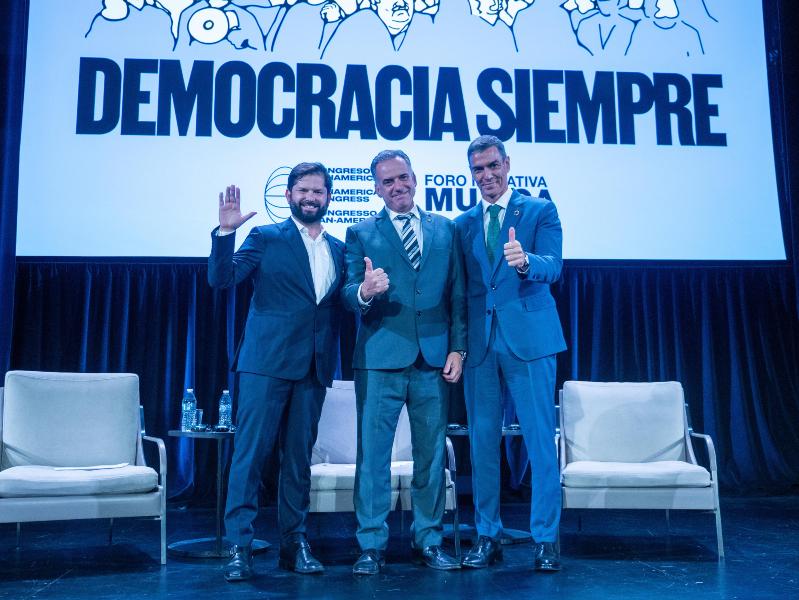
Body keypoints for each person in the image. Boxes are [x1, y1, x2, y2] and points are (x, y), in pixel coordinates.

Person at [208, 162, 346, 582]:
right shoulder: (266, 237)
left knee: (298, 462)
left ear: (327, 196)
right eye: (303, 189)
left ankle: (294, 544)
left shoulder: (340, 249)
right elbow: (222, 277)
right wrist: (225, 234)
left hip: (314, 368)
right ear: (288, 195)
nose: (311, 197)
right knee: (249, 458)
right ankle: (238, 547)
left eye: (319, 191)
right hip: (265, 366)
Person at [342, 150, 466, 574]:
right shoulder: (360, 232)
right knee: (372, 457)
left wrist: (458, 348)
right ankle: (371, 546)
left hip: (433, 358)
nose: (397, 186)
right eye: (387, 182)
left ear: (415, 178)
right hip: (379, 359)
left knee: (430, 456)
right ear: (376, 189)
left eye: (403, 178)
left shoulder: (446, 230)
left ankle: (428, 541)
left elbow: (459, 296)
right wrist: (366, 290)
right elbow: (346, 292)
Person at [455, 135, 566, 572]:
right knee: (482, 444)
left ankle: (545, 539)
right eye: (478, 170)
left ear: (507, 163)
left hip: (530, 340)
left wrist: (525, 263)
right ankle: (487, 535)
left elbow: (554, 266)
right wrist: (458, 346)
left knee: (539, 442)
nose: (487, 176)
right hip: (481, 344)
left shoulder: (540, 210)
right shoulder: (462, 223)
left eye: (492, 166)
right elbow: (462, 291)